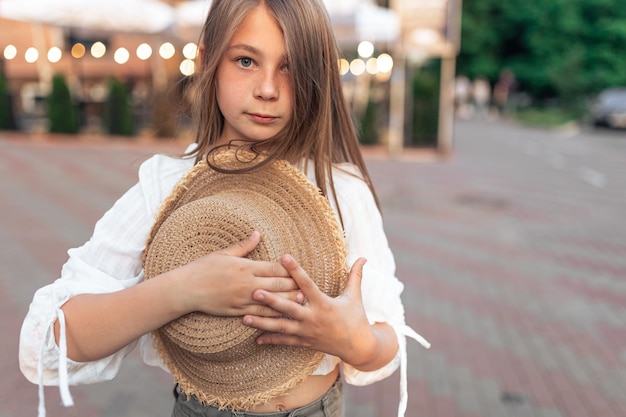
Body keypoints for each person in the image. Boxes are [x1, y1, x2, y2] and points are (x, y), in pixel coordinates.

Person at [18, 1, 429, 417]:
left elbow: (386, 340)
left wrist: (352, 341)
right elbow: (51, 340)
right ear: (208, 62)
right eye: (246, 60)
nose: (267, 88)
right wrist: (183, 290)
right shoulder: (167, 186)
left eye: (289, 67)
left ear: (316, 75)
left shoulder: (340, 188)